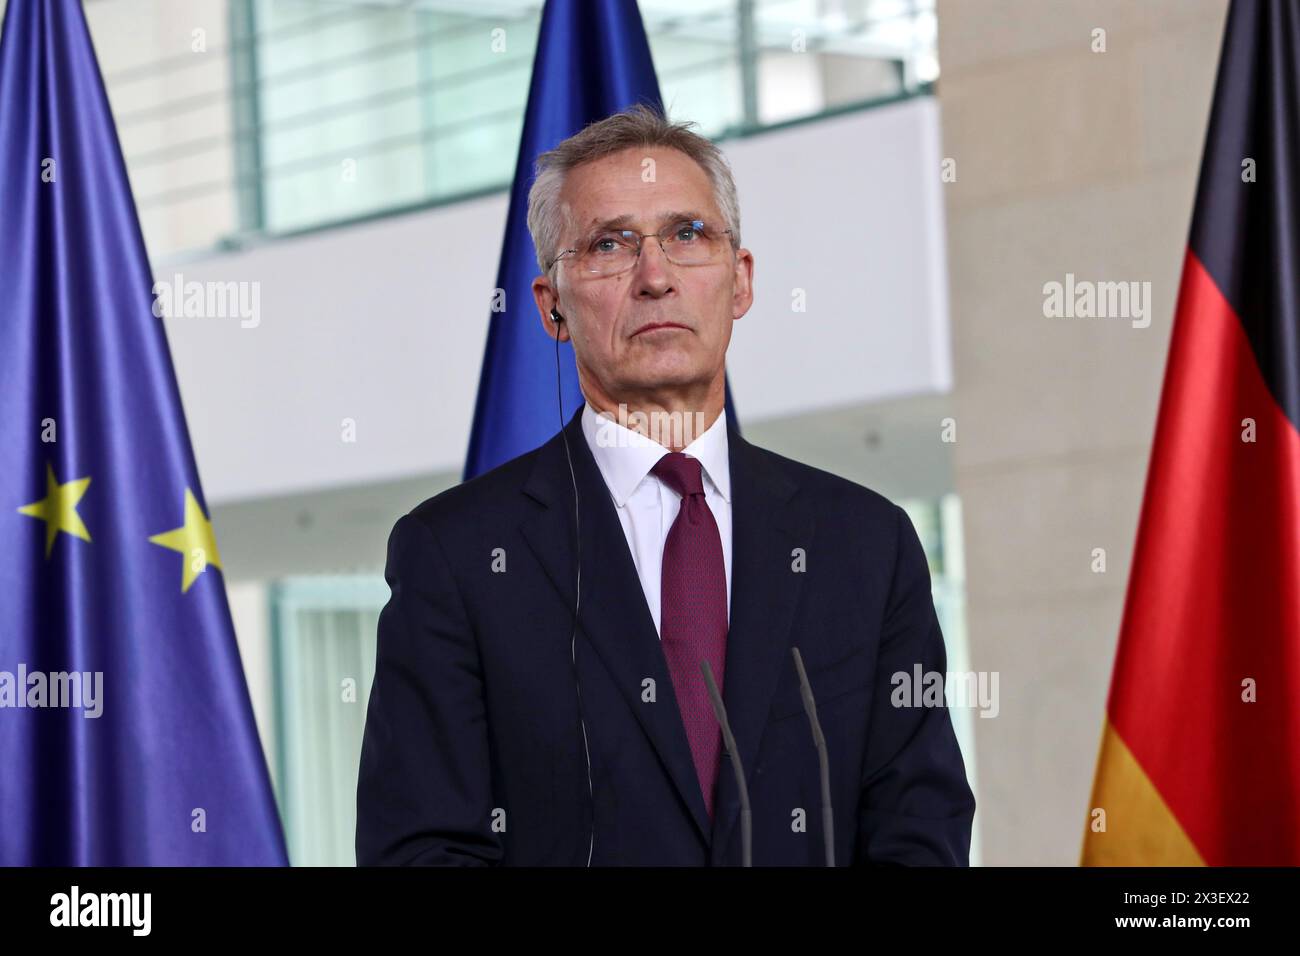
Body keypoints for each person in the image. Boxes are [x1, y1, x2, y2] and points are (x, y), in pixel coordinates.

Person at [356, 105, 975, 865]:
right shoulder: (455, 555)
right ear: (553, 305)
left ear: (739, 280)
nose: (655, 277)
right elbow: (423, 849)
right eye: (610, 245)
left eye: (687, 235)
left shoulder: (865, 544)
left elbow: (921, 823)